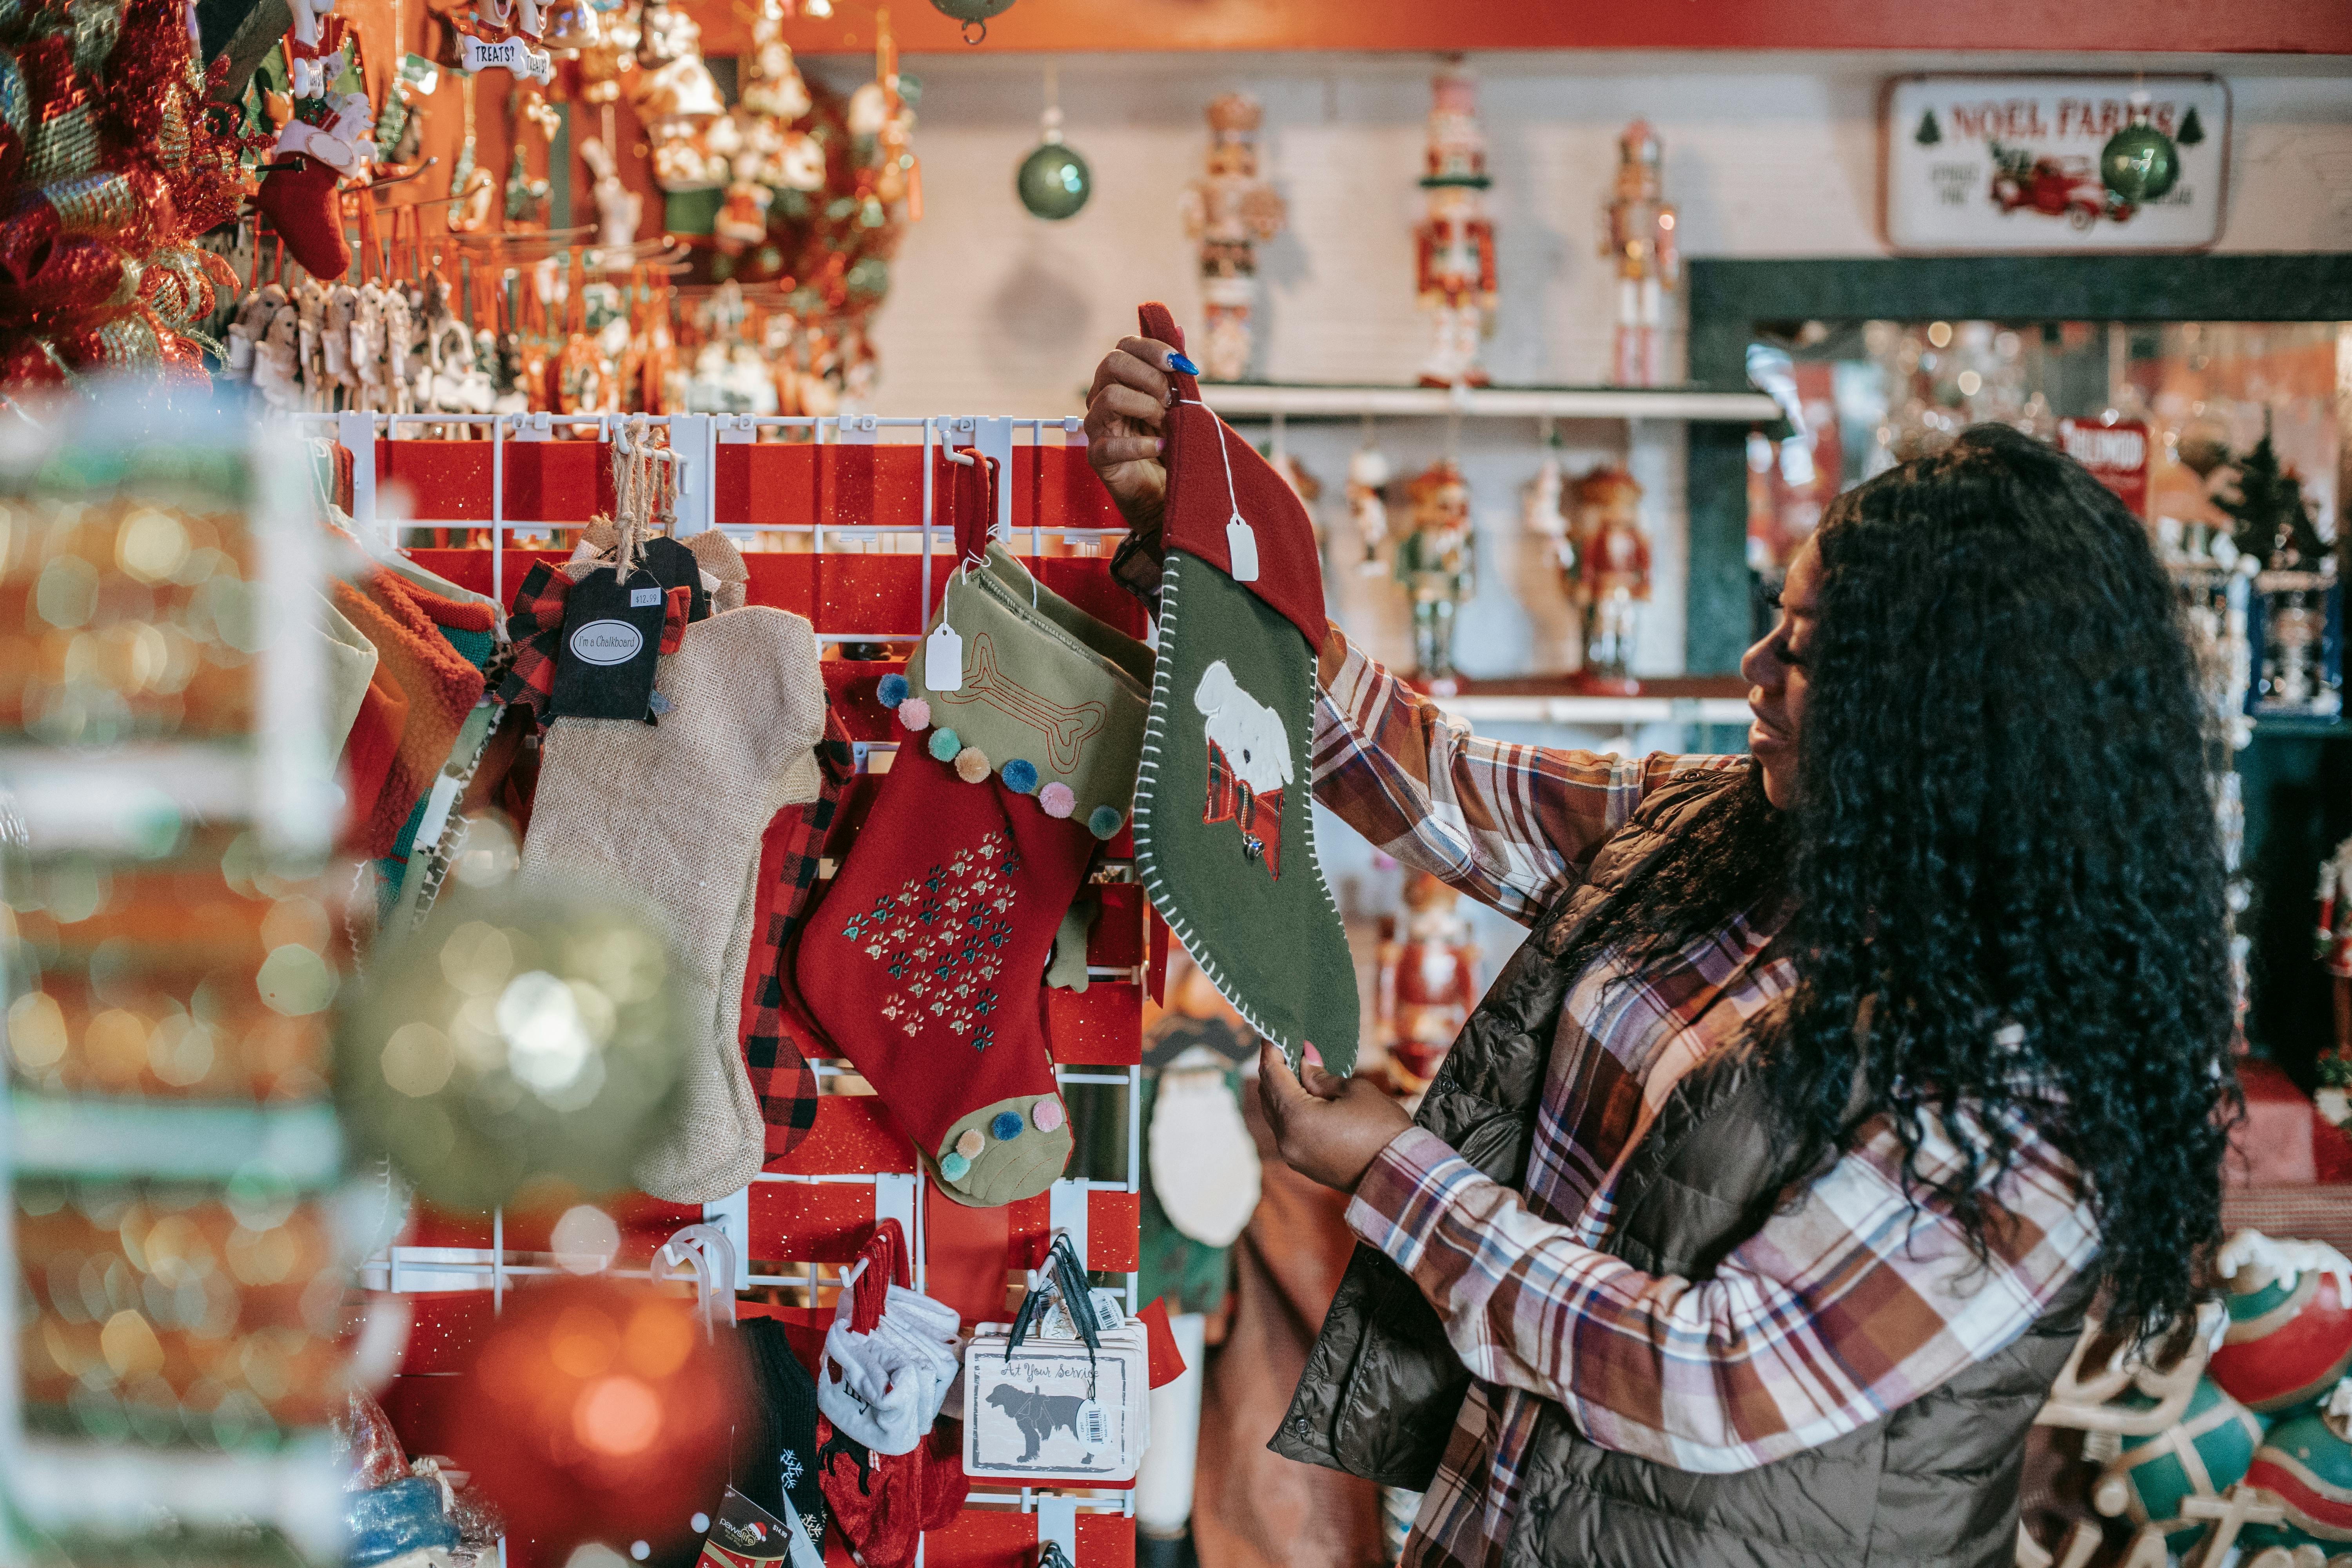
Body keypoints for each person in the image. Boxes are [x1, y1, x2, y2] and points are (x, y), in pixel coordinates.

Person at [1084, 334, 2237, 1568]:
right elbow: (1440, 782)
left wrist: (1393, 1172)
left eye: (1805, 653)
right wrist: (1206, 551)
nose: (1755, 672)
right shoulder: (1732, 833)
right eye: (1773, 626)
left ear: (1951, 720)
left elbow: (1711, 1378)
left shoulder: (2030, 1089)